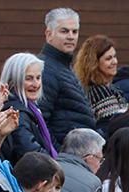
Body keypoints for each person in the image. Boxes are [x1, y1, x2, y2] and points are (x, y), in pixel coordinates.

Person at [38, 7, 95, 146]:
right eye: (64, 31)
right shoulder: (45, 69)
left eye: (74, 31)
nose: (71, 36)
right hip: (64, 156)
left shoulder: (65, 67)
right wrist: (58, 154)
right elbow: (41, 121)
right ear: (49, 34)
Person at [0, 52, 56, 163]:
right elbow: (30, 151)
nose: (36, 84)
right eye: (29, 78)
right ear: (13, 81)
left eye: (38, 78)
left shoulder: (31, 108)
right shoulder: (16, 112)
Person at [73, 35, 127, 131]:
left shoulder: (113, 88)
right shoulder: (97, 93)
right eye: (108, 58)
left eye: (115, 56)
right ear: (94, 63)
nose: (114, 61)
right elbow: (114, 126)